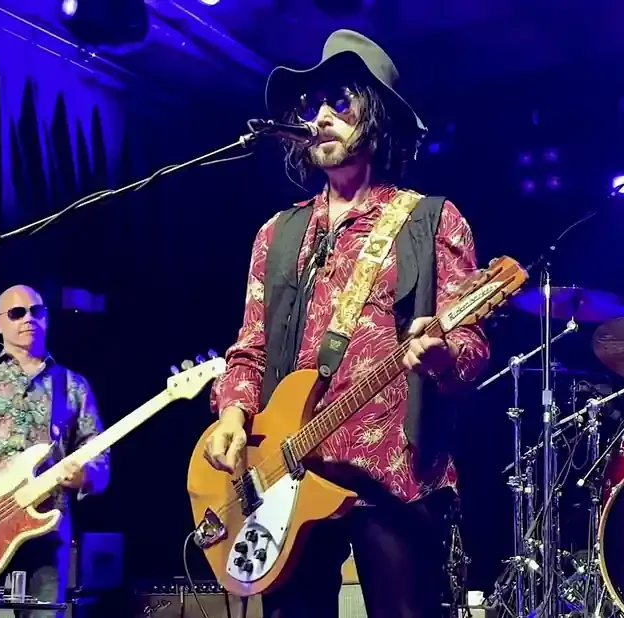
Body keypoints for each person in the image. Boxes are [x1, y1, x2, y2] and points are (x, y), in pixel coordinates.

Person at [204, 29, 489, 618]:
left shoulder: (430, 221)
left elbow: (469, 346)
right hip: (287, 475)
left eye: (342, 101)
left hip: (393, 473)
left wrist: (438, 355)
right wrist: (233, 411)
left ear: (377, 116)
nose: (323, 115)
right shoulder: (276, 234)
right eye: (313, 105)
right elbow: (250, 349)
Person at [0, 284, 110, 617]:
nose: (28, 319)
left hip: (44, 535)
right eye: (16, 313)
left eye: (36, 311)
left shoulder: (72, 385)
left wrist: (85, 476)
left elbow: (99, 454)